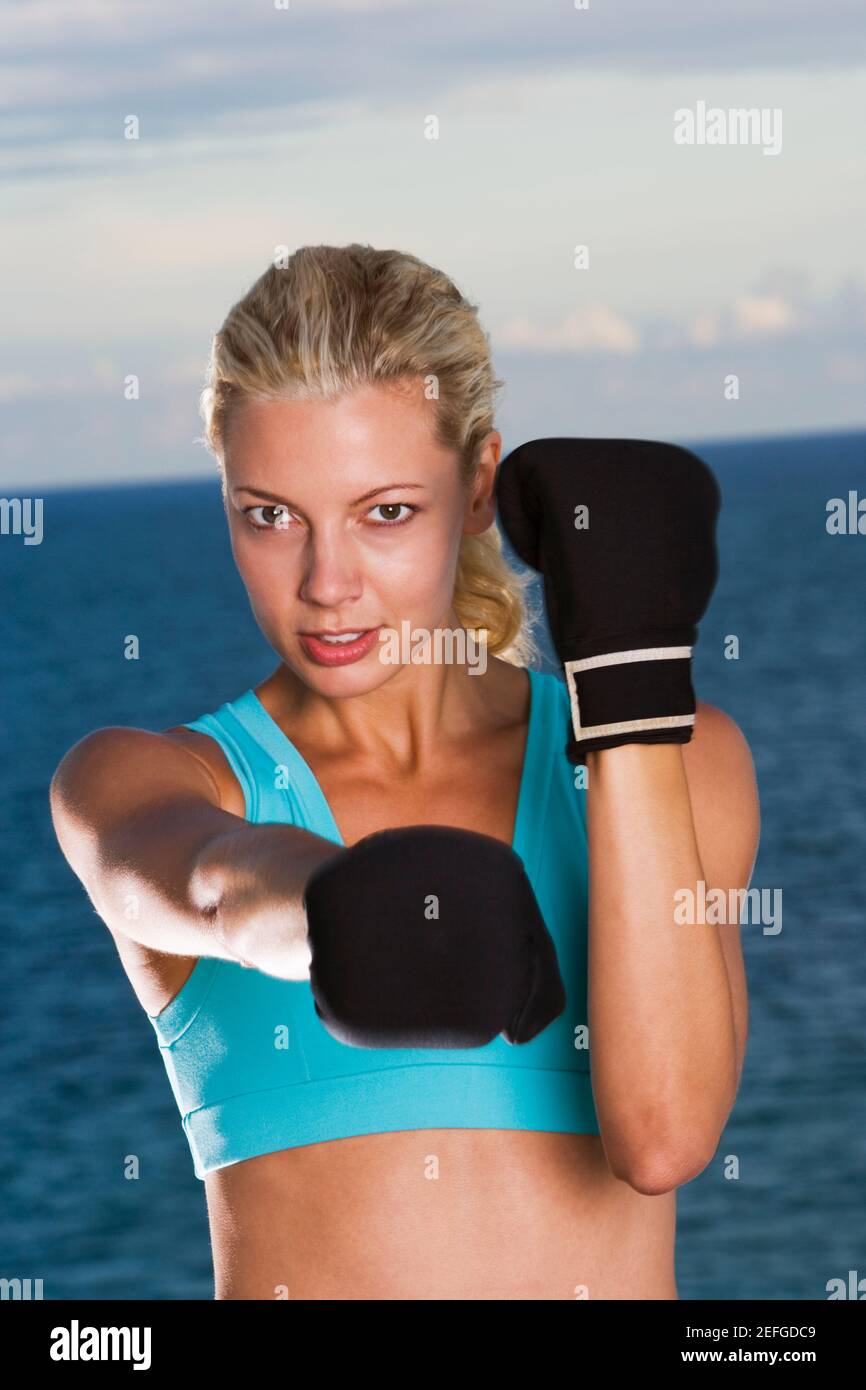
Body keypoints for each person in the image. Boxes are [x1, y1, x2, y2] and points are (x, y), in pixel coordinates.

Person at [49, 243, 759, 1301]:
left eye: (384, 511)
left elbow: (660, 1139)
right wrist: (335, 913)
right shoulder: (142, 779)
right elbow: (210, 880)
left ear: (476, 485)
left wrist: (626, 697)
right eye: (270, 514)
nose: (327, 582)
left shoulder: (684, 756)